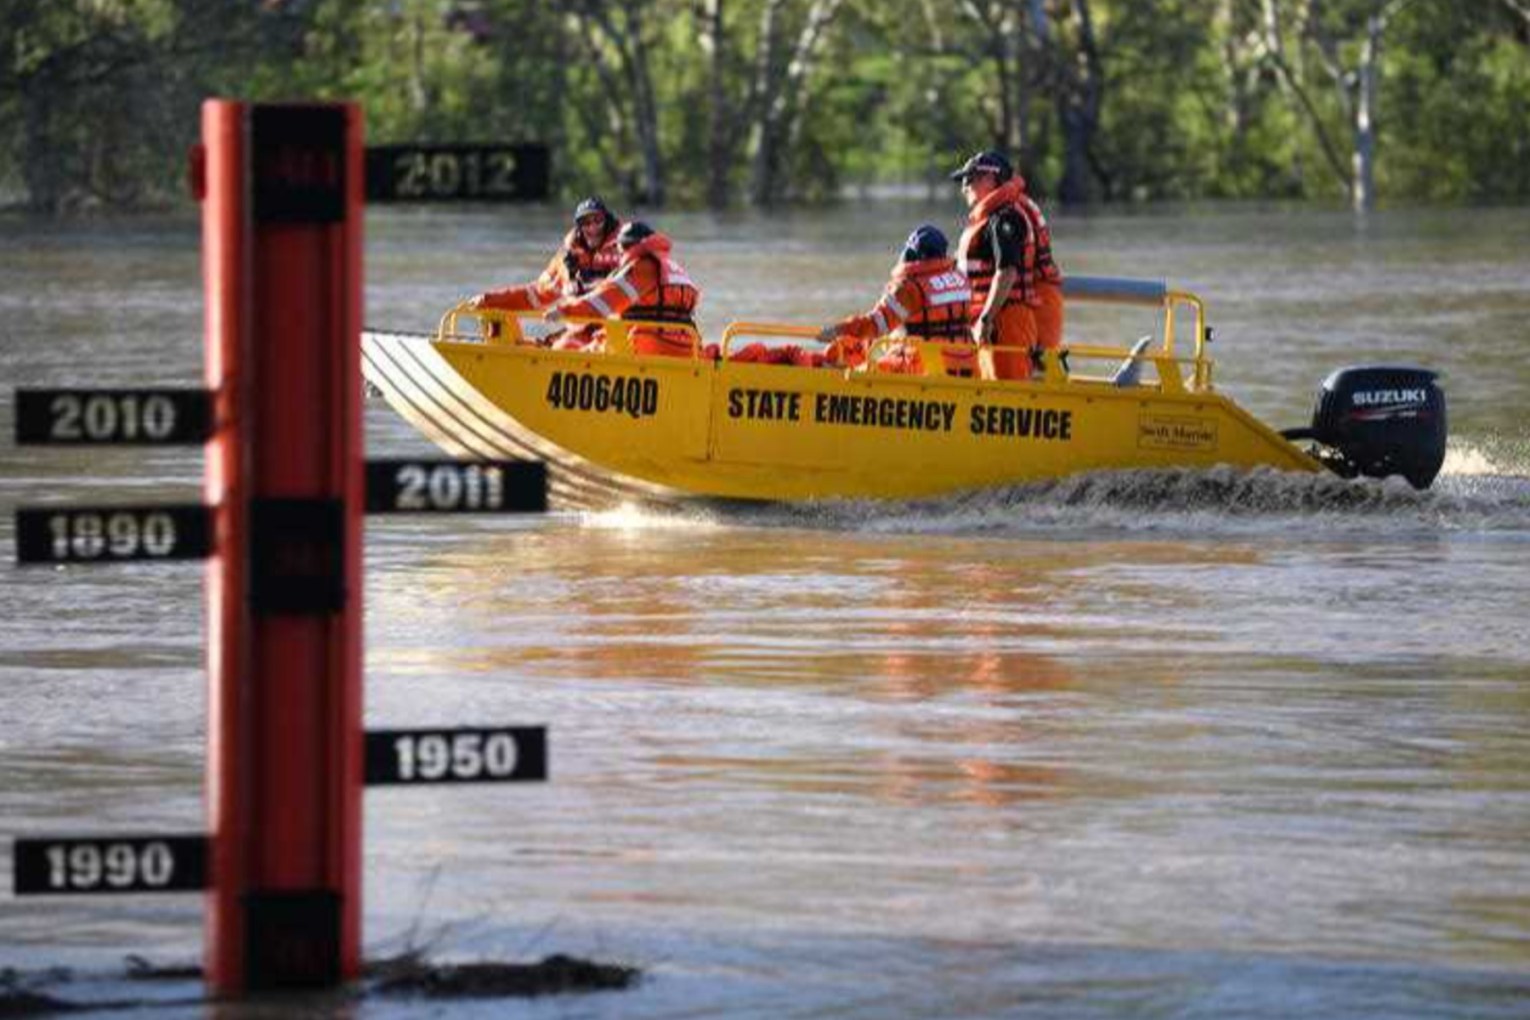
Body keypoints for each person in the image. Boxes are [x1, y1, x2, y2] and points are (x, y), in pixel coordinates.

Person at [949, 150, 1064, 381]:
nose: (964, 187)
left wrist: (986, 318)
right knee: (997, 388)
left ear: (991, 179)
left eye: (970, 179)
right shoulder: (997, 214)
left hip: (1007, 318)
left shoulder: (1005, 218)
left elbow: (1007, 270)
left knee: (1011, 392)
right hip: (998, 317)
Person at [469, 196, 623, 349]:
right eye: (586, 223)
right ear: (579, 228)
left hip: (620, 334)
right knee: (561, 345)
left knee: (566, 346)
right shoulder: (567, 261)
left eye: (598, 221)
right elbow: (536, 294)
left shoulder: (625, 253)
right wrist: (490, 300)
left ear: (607, 222)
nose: (593, 228)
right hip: (581, 333)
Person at [817, 225, 974, 375]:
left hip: (921, 367)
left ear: (913, 254)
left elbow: (876, 325)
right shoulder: (962, 280)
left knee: (851, 368)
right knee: (876, 346)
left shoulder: (910, 288)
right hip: (967, 364)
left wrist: (837, 330)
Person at [544, 221, 701, 358]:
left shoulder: (642, 266)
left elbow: (603, 301)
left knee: (567, 350)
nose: (617, 253)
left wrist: (564, 311)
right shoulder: (669, 266)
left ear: (627, 245)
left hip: (648, 347)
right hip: (685, 347)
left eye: (619, 247)